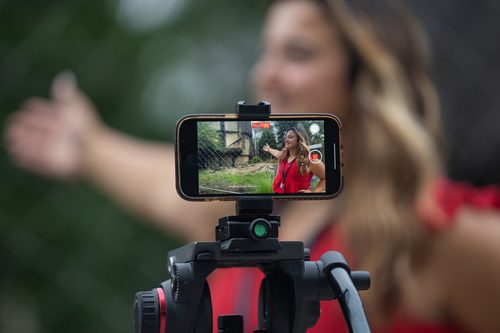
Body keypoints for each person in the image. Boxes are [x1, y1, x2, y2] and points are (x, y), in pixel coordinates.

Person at [5, 0, 500, 332]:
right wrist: (91, 147)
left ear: (367, 78)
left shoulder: (427, 233)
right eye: (266, 51)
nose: (267, 73)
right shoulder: (248, 218)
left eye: (298, 53)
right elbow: (163, 180)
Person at [263, 126, 325, 193]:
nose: (286, 140)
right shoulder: (282, 156)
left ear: (299, 140)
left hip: (298, 202)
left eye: (290, 137)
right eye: (286, 137)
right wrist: (269, 149)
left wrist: (314, 193)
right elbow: (275, 152)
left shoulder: (309, 160)